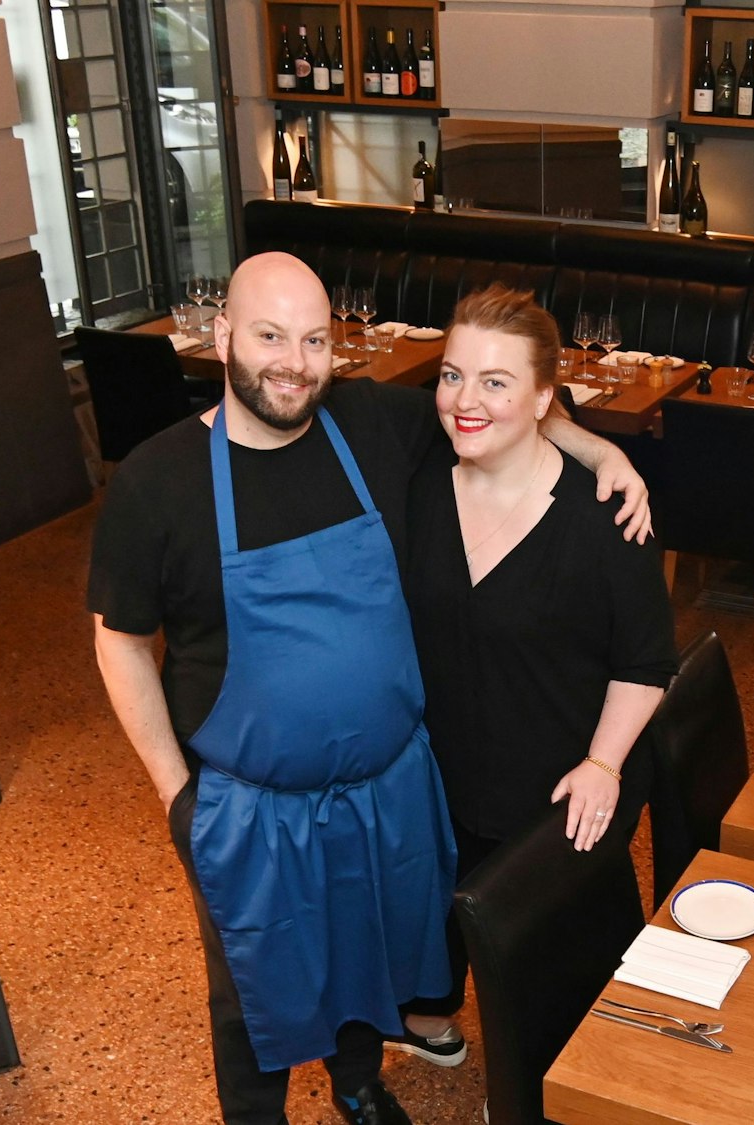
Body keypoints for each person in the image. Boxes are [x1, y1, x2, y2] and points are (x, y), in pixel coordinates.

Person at [88, 253, 652, 1125]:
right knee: (253, 990)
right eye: (270, 335)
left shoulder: (371, 424)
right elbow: (118, 641)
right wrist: (175, 794)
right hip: (250, 806)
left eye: (314, 339)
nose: (294, 361)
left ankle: (358, 1083)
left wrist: (598, 447)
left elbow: (503, 411)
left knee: (369, 955)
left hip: (387, 788)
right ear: (224, 334)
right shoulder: (158, 480)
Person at [395, 283, 677, 1056]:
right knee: (431, 918)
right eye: (453, 375)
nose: (464, 400)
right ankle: (426, 1014)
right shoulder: (418, 482)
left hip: (555, 787)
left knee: (559, 984)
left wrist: (603, 763)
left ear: (545, 397)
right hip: (440, 771)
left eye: (495, 382)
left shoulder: (606, 517)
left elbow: (646, 662)